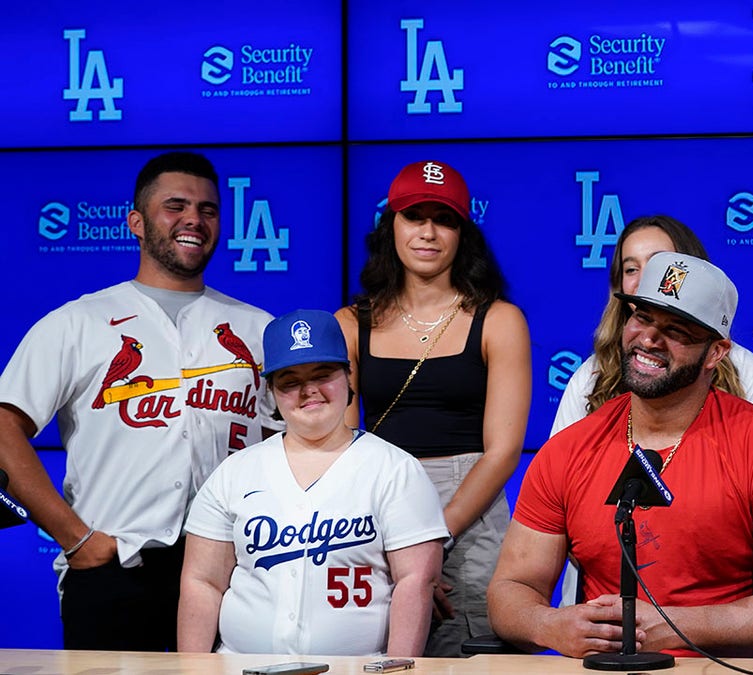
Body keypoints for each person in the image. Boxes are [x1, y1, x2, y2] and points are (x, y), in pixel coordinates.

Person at [488, 252, 753, 658]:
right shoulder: (568, 449)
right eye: (643, 318)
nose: (649, 339)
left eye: (676, 330)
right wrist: (551, 625)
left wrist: (671, 626)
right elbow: (511, 589)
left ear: (716, 353)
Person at [0, 151, 280, 651]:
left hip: (235, 574)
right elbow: (4, 425)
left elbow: (292, 449)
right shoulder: (78, 322)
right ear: (136, 221)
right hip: (116, 567)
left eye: (208, 209)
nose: (194, 219)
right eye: (176, 205)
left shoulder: (258, 328)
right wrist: (77, 539)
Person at [335, 159, 531, 657]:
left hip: (469, 514)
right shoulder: (349, 322)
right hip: (371, 514)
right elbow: (335, 445)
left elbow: (503, 452)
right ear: (391, 226)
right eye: (413, 216)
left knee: (468, 655)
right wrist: (388, 543)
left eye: (443, 219)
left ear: (463, 232)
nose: (427, 232)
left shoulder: (498, 320)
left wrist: (429, 543)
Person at [178, 310, 447, 656]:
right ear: (272, 392)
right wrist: (193, 670)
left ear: (348, 377)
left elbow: (416, 582)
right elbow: (204, 583)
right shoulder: (234, 473)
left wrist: (397, 669)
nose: (309, 391)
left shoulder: (395, 469)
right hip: (240, 668)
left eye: (323, 374)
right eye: (290, 381)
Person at [551, 214, 753, 435]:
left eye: (658, 266)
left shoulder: (750, 373)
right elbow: (560, 464)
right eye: (631, 269)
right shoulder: (591, 376)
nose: (645, 281)